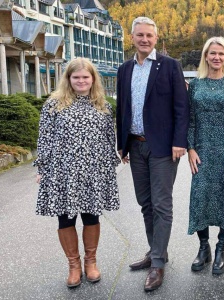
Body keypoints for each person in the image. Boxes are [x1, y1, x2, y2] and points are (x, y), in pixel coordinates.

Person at [116, 17, 189, 292]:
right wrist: (122, 144)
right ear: (132, 38)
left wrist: (179, 141)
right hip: (135, 146)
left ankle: (157, 262)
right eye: (139, 35)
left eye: (149, 35)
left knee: (161, 204)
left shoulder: (170, 66)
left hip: (163, 147)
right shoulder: (124, 69)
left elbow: (182, 107)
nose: (144, 39)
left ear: (156, 39)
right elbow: (122, 108)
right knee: (145, 202)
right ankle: (156, 250)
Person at [33, 57, 120, 288]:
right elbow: (45, 139)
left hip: (93, 172)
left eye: (85, 77)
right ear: (68, 79)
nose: (81, 81)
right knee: (66, 218)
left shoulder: (103, 105)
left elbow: (108, 139)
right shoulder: (53, 105)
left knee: (92, 216)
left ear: (93, 79)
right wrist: (43, 167)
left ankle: (91, 262)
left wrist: (111, 166)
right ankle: (73, 265)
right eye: (76, 77)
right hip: (63, 172)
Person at [187, 37, 224, 275]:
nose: (217, 58)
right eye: (213, 53)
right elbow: (190, 120)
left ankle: (221, 247)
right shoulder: (195, 85)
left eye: (221, 54)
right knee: (200, 198)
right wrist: (190, 148)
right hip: (201, 150)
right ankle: (204, 247)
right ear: (206, 56)